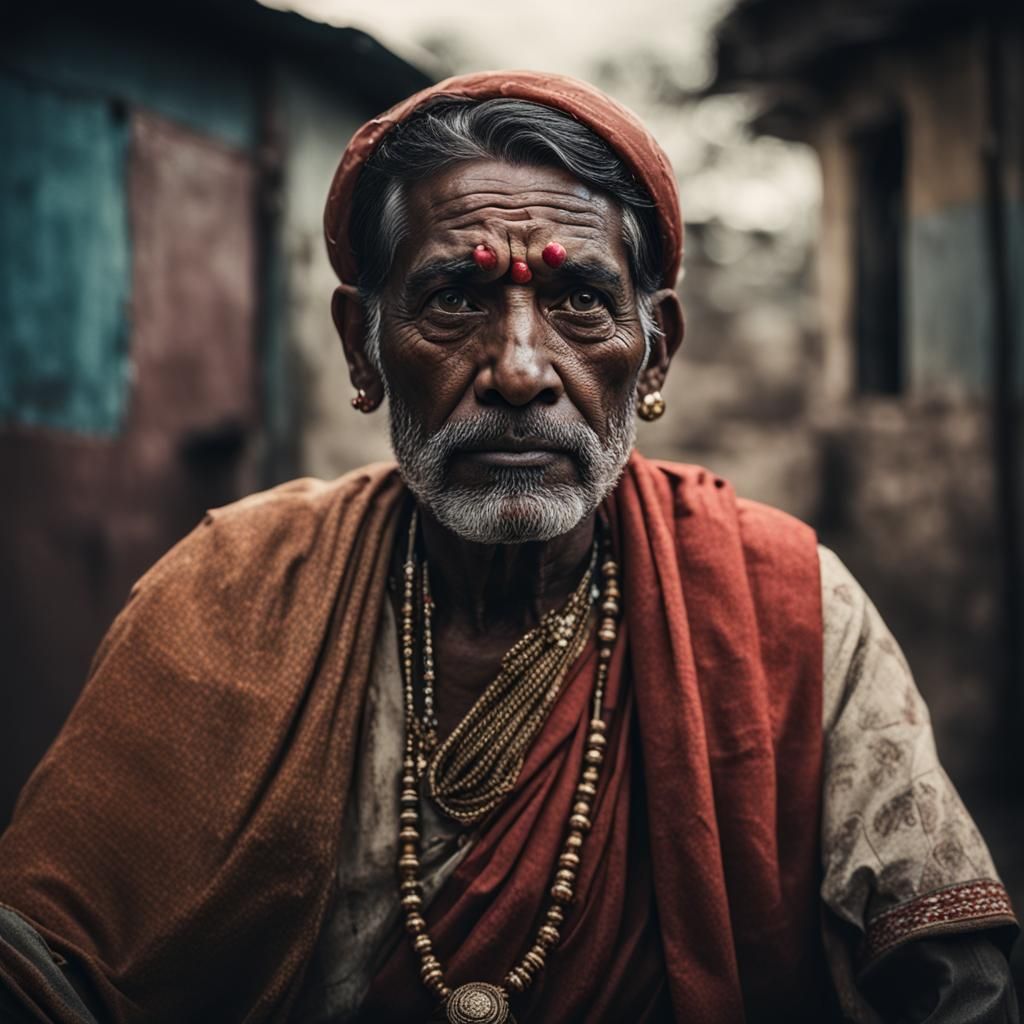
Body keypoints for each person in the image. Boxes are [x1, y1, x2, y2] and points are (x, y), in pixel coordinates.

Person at [0, 71, 1017, 1024]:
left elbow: (953, 985)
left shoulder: (789, 610)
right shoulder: (231, 591)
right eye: (454, 298)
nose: (521, 370)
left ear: (656, 350)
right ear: (362, 344)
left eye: (579, 300)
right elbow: (43, 955)